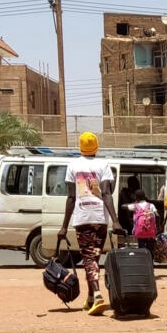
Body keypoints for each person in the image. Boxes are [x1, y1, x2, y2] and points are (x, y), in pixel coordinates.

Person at [57, 132, 125, 315]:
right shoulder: (104, 165)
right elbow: (106, 194)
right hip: (100, 219)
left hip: (83, 219)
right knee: (93, 258)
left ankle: (97, 294)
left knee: (88, 258)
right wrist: (115, 221)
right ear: (96, 146)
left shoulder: (73, 165)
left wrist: (64, 226)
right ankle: (89, 298)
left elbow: (71, 197)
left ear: (80, 146)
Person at [125, 189, 159, 255]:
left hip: (140, 232)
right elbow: (157, 215)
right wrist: (158, 226)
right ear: (144, 196)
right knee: (150, 247)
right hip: (150, 232)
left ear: (136, 197)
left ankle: (143, 262)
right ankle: (150, 262)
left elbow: (123, 206)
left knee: (141, 247)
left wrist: (134, 202)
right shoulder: (151, 205)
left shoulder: (135, 206)